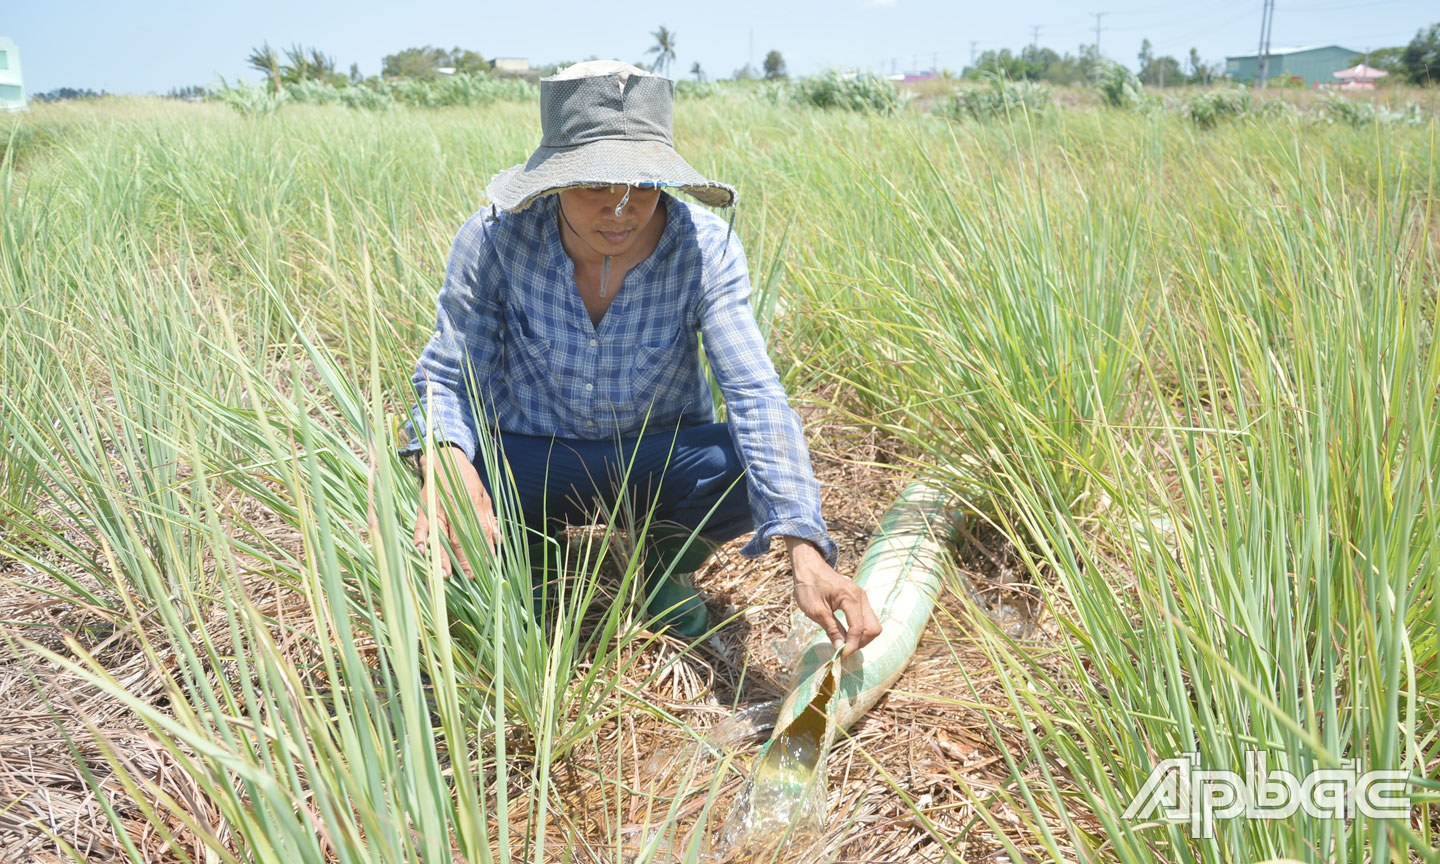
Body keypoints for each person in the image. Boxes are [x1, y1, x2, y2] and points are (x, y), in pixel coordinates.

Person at [400, 60, 880, 655]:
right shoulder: (496, 239)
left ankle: (662, 565)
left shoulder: (705, 248)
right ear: (553, 180)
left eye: (642, 187)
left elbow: (754, 393)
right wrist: (446, 462)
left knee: (741, 464)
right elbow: (446, 376)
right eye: (594, 185)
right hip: (530, 457)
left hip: (652, 462)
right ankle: (530, 554)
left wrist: (805, 549)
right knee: (429, 469)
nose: (620, 210)